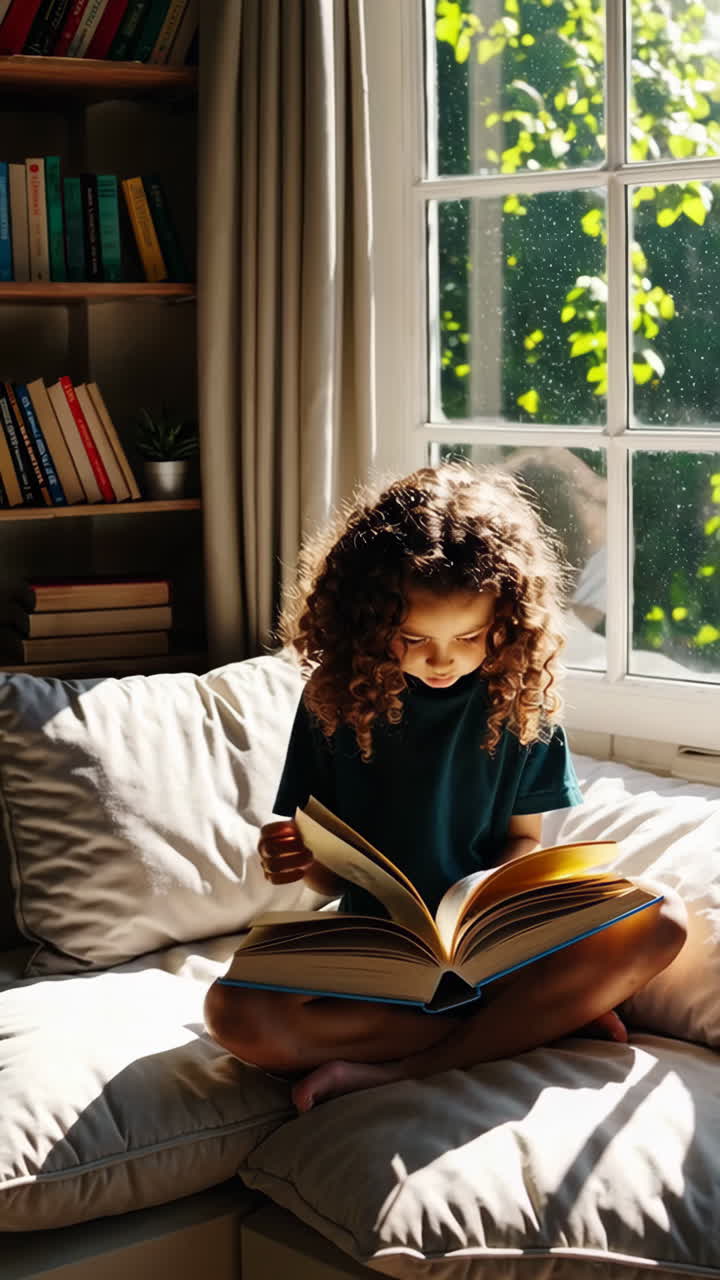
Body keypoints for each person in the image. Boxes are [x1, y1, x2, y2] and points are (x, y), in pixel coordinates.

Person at [204, 463, 686, 1112]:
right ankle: (523, 1027)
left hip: (492, 951)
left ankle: (413, 1064)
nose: (442, 659)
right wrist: (299, 856)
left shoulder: (522, 700)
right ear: (369, 622)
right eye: (412, 639)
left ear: (507, 621)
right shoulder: (333, 699)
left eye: (468, 637)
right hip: (380, 955)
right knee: (232, 1011)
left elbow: (523, 839)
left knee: (660, 917)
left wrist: (493, 898)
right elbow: (328, 877)